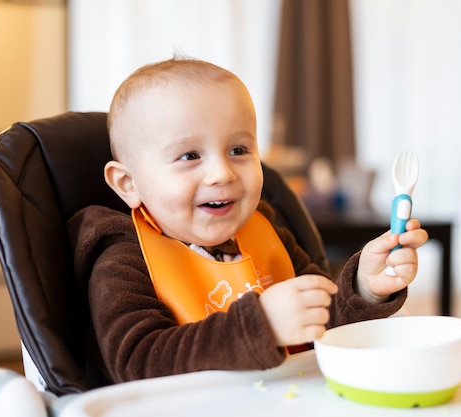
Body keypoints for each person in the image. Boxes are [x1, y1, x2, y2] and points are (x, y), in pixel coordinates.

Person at [68, 56, 428, 384]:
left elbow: (323, 321)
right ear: (128, 184)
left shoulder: (268, 234)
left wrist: (365, 287)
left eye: (238, 150)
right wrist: (262, 326)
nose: (221, 173)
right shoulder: (123, 259)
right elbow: (136, 362)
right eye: (190, 155)